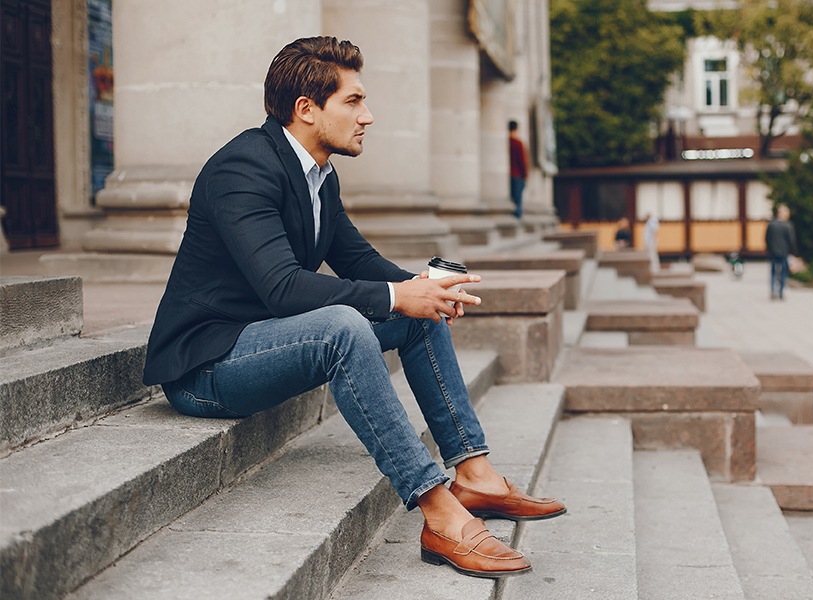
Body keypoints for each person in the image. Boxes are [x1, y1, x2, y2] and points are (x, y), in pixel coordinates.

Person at [143, 37, 564, 579]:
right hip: (207, 366)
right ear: (306, 109)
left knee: (414, 313)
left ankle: (475, 474)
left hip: (267, 342)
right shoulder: (241, 169)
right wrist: (398, 295)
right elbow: (283, 289)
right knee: (344, 325)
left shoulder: (319, 173)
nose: (368, 116)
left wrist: (425, 289)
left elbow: (357, 260)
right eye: (353, 101)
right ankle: (438, 513)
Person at [765, 204, 798, 300]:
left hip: (773, 252)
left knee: (773, 272)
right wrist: (794, 253)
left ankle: (772, 292)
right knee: (783, 273)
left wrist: (769, 249)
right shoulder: (788, 226)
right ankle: (780, 292)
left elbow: (767, 238)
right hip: (784, 252)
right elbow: (792, 240)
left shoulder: (771, 224)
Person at [508, 120, 529, 219]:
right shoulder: (517, 143)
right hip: (517, 175)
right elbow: (522, 161)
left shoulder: (505, 142)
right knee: (518, 201)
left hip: (508, 175)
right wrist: (525, 175)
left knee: (510, 199)